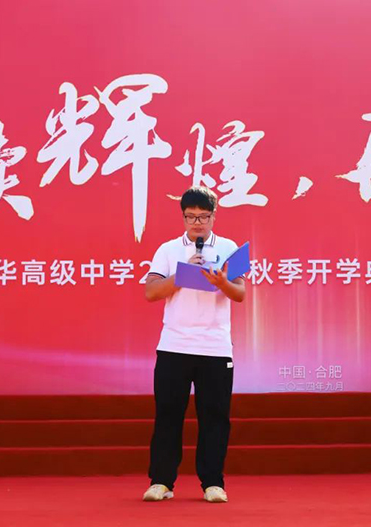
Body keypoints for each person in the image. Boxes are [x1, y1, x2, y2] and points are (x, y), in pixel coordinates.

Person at [142, 186, 246, 503]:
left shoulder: (229, 248)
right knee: (168, 414)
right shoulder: (169, 249)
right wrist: (182, 274)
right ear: (183, 217)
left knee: (215, 416)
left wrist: (221, 282)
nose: (197, 223)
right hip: (174, 344)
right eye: (191, 217)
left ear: (214, 216)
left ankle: (213, 483)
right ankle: (161, 482)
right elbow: (151, 292)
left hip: (215, 347)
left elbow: (240, 294)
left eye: (203, 217)